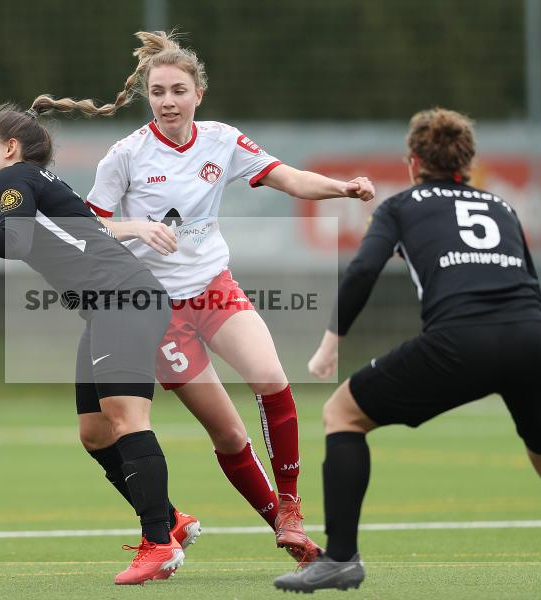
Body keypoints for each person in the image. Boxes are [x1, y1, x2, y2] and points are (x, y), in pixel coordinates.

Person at [273, 108, 541, 597]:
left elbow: (360, 272)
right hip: (531, 338)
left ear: (413, 162)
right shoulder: (502, 207)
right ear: (468, 161)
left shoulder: (401, 205)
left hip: (460, 341)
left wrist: (330, 344)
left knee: (343, 413)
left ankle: (340, 560)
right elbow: (530, 285)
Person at [82, 30, 374, 560]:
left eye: (177, 90)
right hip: (157, 313)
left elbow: (286, 177)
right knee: (230, 435)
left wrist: (343, 188)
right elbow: (89, 228)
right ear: (148, 97)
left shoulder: (222, 139)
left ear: (198, 94)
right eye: (157, 92)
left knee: (272, 377)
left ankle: (291, 509)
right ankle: (287, 534)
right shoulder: (124, 155)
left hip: (215, 290)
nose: (167, 101)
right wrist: (135, 228)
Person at [0, 101, 191, 585]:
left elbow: (15, 244)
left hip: (123, 300)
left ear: (12, 148)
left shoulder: (13, 178)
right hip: (113, 306)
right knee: (96, 432)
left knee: (126, 419)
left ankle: (158, 544)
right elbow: (92, 234)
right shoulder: (45, 184)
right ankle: (170, 520)